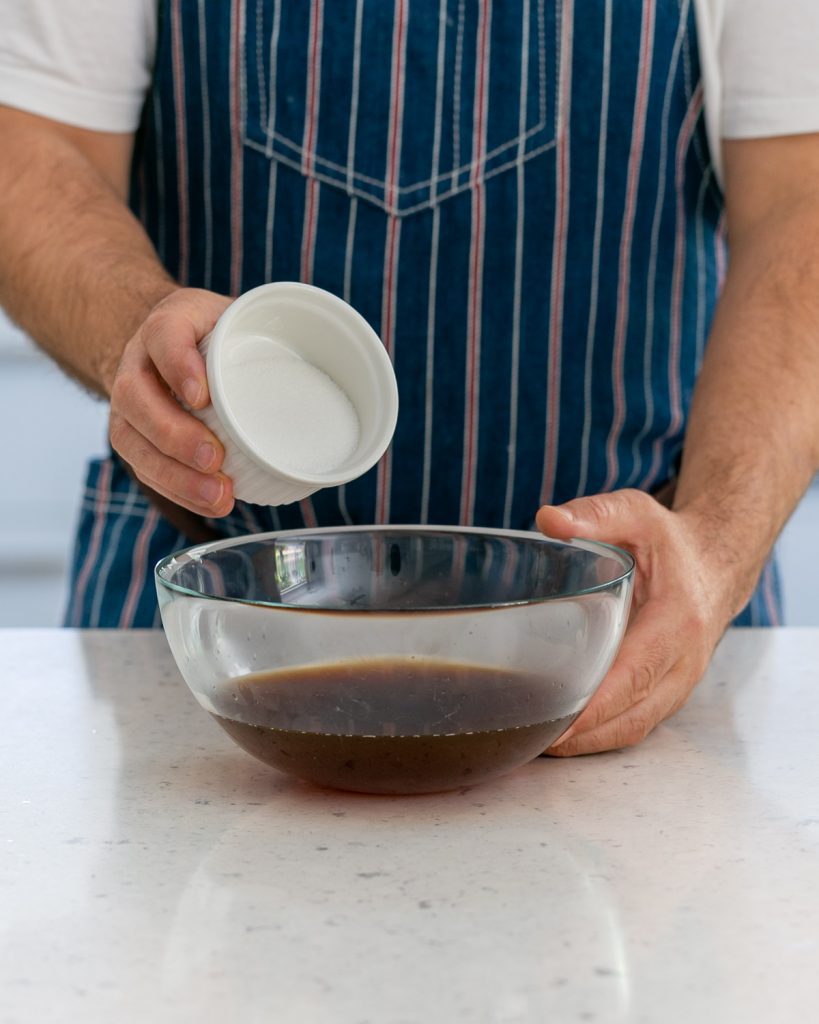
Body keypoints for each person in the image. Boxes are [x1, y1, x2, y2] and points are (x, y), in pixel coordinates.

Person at [1, 1, 817, 756]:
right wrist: (132, 327)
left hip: (631, 627)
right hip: (202, 625)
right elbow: (31, 137)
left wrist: (715, 543)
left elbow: (800, 201)